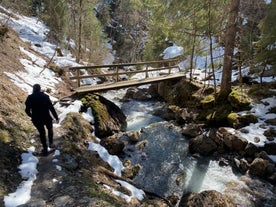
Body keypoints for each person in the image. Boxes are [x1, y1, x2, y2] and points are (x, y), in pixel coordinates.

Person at [25, 84, 59, 156]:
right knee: (50, 129)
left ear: (33, 89)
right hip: (47, 117)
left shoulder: (30, 97)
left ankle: (45, 150)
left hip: (36, 119)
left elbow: (27, 110)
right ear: (40, 89)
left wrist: (31, 116)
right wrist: (56, 117)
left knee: (42, 133)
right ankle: (51, 143)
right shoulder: (45, 96)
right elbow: (51, 108)